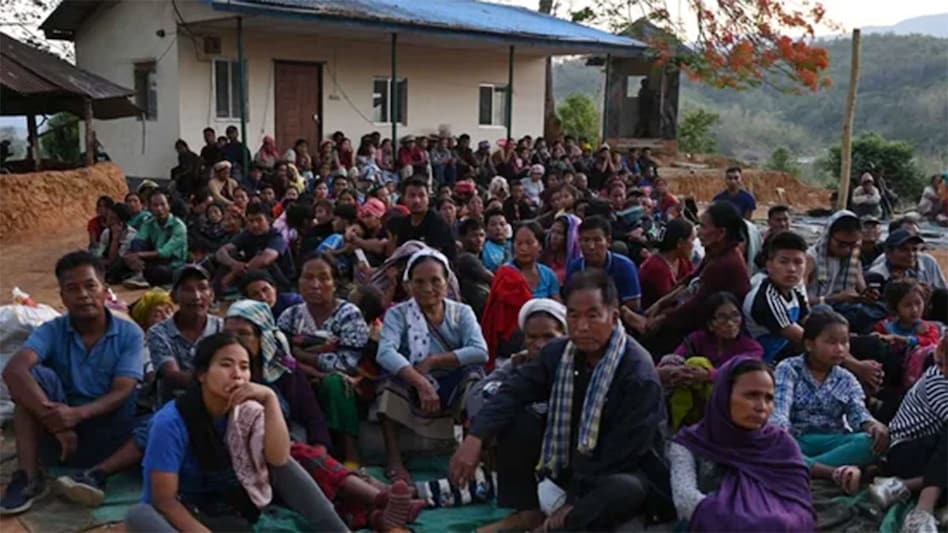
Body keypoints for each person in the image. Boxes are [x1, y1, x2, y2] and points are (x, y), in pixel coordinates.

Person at [450, 271, 673, 531]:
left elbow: (624, 451)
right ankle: (529, 512)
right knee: (517, 420)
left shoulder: (637, 371)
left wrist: (574, 500)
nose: (581, 326)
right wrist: (475, 437)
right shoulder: (560, 353)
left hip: (618, 469)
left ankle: (559, 524)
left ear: (613, 318)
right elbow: (513, 391)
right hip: (570, 461)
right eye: (573, 316)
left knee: (624, 489)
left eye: (592, 315)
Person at [124, 333, 347, 532]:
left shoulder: (248, 411)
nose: (237, 374)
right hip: (187, 509)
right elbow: (165, 501)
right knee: (140, 516)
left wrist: (270, 399)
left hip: (232, 505)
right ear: (202, 374)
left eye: (244, 366)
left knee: (287, 465)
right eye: (226, 365)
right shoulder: (170, 422)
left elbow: (278, 459)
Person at [0, 252, 143, 515]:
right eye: (72, 288)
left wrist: (76, 415)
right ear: (63, 297)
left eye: (90, 286)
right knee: (29, 384)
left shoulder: (129, 334)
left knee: (165, 418)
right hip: (61, 443)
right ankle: (29, 477)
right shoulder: (53, 329)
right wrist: (59, 425)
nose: (83, 295)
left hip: (113, 439)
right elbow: (14, 369)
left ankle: (94, 475)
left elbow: (124, 389)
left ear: (103, 291)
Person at [376, 249, 488, 482]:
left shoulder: (461, 312)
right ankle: (394, 459)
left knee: (475, 379)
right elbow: (385, 352)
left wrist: (435, 361)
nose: (427, 288)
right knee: (388, 380)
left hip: (449, 379)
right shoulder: (398, 314)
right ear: (408, 285)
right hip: (414, 378)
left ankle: (472, 455)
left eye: (435, 280)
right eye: (419, 282)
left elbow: (480, 351)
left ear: (447, 283)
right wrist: (420, 382)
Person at [669, 357, 815, 531]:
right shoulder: (689, 443)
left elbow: (800, 507)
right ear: (724, 394)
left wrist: (774, 523)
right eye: (751, 395)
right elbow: (685, 501)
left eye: (769, 398)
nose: (761, 407)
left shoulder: (781, 444)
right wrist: (745, 522)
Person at [771, 311, 889, 495]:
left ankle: (797, 468)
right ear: (809, 344)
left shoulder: (847, 379)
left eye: (844, 342)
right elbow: (780, 410)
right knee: (774, 443)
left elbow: (858, 412)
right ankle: (831, 472)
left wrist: (872, 425)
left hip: (833, 440)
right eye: (831, 342)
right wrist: (779, 437)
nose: (840, 349)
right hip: (797, 439)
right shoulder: (789, 368)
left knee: (869, 442)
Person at [277, 252, 369, 466]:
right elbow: (280, 358)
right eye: (308, 278)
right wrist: (311, 366)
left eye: (323, 278)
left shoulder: (348, 314)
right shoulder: (290, 316)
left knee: (336, 382)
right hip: (302, 380)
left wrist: (302, 355)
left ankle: (351, 453)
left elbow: (348, 363)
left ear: (335, 283)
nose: (315, 285)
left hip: (342, 385)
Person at [644, 202, 750, 353]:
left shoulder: (726, 263)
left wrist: (660, 320)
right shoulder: (715, 252)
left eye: (703, 226)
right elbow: (690, 279)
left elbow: (695, 307)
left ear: (720, 233)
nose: (699, 232)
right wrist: (660, 304)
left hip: (716, 327)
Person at [223, 300, 332, 447]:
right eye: (228, 333)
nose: (234, 339)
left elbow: (311, 414)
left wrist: (319, 447)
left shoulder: (284, 368)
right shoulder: (220, 372)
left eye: (243, 333)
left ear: (261, 338)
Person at [870, 336, 948, 532]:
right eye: (941, 363)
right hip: (904, 453)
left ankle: (903, 486)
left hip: (934, 459)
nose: (944, 370)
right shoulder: (938, 381)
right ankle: (924, 509)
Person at [659, 292, 764, 430]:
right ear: (710, 323)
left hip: (728, 408)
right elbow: (664, 366)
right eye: (722, 317)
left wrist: (707, 375)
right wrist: (678, 372)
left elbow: (742, 377)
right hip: (692, 400)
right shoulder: (697, 340)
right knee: (680, 364)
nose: (730, 323)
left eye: (735, 315)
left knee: (698, 363)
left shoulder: (751, 348)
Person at [148, 265, 224, 403]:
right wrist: (219, 380)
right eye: (187, 290)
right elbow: (172, 376)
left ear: (212, 295)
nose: (196, 296)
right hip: (175, 407)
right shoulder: (159, 332)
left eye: (202, 288)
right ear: (174, 297)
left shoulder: (222, 328)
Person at [744, 231, 811, 363]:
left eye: (798, 262)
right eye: (783, 262)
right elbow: (802, 339)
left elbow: (810, 322)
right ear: (769, 265)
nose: (791, 269)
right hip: (761, 364)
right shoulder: (766, 297)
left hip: (783, 354)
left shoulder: (794, 292)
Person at [566, 215, 642, 311]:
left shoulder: (625, 266)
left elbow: (633, 304)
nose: (591, 246)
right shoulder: (574, 267)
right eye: (585, 240)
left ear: (608, 241)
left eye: (597, 240)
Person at [215, 203, 296, 292]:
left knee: (266, 264)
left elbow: (265, 259)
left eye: (259, 220)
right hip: (251, 276)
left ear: (269, 220)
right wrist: (233, 264)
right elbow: (221, 252)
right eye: (251, 221)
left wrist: (233, 274)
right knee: (229, 255)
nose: (255, 225)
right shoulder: (247, 234)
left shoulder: (276, 237)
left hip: (279, 281)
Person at [116, 192, 188, 288]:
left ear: (169, 206)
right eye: (155, 205)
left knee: (157, 272)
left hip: (173, 264)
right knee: (120, 263)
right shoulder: (149, 223)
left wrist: (138, 255)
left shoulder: (178, 226)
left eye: (162, 204)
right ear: (150, 207)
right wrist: (131, 256)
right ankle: (139, 274)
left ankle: (141, 275)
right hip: (154, 259)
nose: (159, 209)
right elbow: (138, 240)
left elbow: (165, 252)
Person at [386, 176, 457, 261]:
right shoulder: (403, 224)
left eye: (421, 195)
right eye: (412, 195)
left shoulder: (437, 223)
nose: (417, 200)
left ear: (428, 198)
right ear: (404, 199)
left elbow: (433, 260)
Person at [638, 218, 695, 309]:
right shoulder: (656, 269)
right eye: (692, 240)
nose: (693, 245)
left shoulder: (682, 262)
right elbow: (668, 303)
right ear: (680, 243)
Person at [872, 279, 942, 350]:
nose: (915, 310)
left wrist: (898, 338)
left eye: (918, 303)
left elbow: (932, 344)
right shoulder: (884, 327)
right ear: (895, 308)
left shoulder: (928, 329)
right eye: (907, 305)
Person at [869, 229, 947, 291]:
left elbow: (943, 291)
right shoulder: (877, 274)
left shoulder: (928, 261)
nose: (911, 254)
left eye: (914, 249)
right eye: (904, 249)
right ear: (888, 253)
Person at [239, 270, 303, 321]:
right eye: (255, 294)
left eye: (265, 290)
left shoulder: (294, 303)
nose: (263, 297)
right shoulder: (249, 316)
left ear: (274, 288)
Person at [542, 214, 581, 286]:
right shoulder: (544, 259)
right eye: (552, 231)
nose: (554, 237)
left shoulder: (579, 266)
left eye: (559, 233)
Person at [480, 209, 511, 273]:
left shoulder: (515, 245)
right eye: (493, 225)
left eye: (502, 224)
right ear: (486, 228)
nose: (498, 228)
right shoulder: (483, 248)